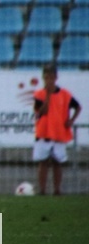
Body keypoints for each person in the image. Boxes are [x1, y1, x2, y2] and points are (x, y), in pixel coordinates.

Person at [33, 65, 81, 196]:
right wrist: (48, 96)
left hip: (59, 133)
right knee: (43, 162)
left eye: (51, 78)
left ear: (56, 77)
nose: (49, 80)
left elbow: (78, 107)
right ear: (43, 78)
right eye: (46, 78)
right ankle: (42, 190)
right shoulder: (39, 94)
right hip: (43, 133)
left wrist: (71, 120)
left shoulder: (65, 94)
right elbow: (41, 112)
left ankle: (57, 190)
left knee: (57, 163)